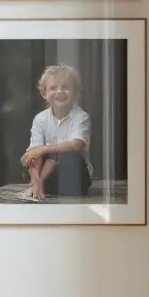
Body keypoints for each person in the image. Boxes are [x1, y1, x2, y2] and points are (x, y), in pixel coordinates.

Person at [19, 64, 93, 201]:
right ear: (44, 94)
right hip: (47, 174)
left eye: (65, 87)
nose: (60, 91)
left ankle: (41, 185)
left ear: (75, 93)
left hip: (72, 176)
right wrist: (37, 181)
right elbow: (34, 153)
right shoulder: (40, 119)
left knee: (68, 156)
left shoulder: (81, 117)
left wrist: (43, 149)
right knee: (29, 157)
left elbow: (75, 145)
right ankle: (37, 185)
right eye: (53, 88)